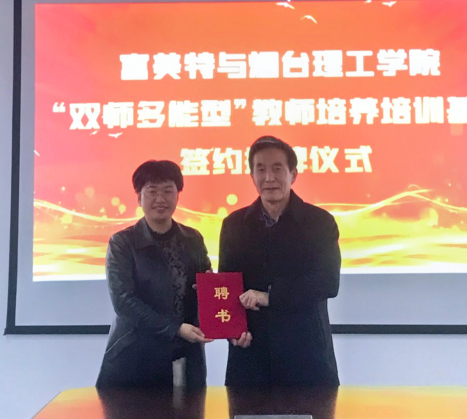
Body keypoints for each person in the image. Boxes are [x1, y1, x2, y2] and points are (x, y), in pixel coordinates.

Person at [219, 135, 341, 387]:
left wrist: (270, 296)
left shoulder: (319, 223)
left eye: (277, 168)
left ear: (293, 174)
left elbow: (327, 283)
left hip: (306, 355)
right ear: (252, 176)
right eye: (260, 169)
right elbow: (226, 285)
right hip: (250, 356)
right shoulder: (234, 225)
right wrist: (232, 330)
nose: (269, 178)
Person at [96, 160, 212, 389]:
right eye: (152, 191)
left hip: (186, 356)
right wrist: (175, 328)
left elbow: (206, 285)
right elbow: (124, 301)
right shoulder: (122, 243)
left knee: (191, 413)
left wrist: (209, 289)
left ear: (177, 195)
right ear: (139, 198)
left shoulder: (193, 239)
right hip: (135, 360)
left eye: (168, 191)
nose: (160, 199)